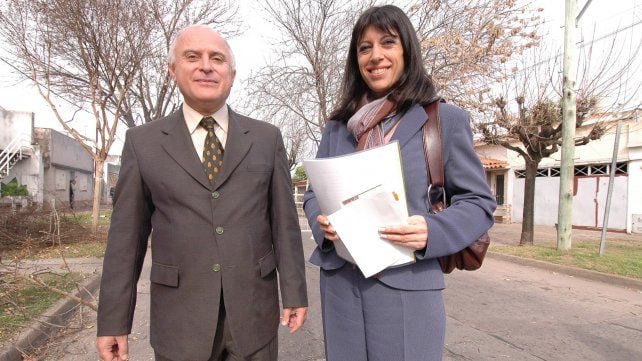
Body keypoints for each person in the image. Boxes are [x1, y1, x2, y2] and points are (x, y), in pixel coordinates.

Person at [96, 25, 308, 361]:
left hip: (253, 317)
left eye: (217, 58)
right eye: (192, 57)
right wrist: (112, 321)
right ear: (173, 71)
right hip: (180, 322)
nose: (206, 66)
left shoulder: (267, 139)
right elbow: (126, 240)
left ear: (232, 74)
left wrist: (295, 291)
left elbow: (284, 224)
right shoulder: (143, 143)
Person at [303, 5, 496, 361]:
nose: (375, 56)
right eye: (365, 47)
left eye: (387, 43)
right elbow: (315, 193)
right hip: (341, 286)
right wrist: (322, 223)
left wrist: (432, 231)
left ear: (406, 49)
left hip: (409, 285)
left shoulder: (443, 120)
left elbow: (478, 203)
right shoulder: (337, 127)